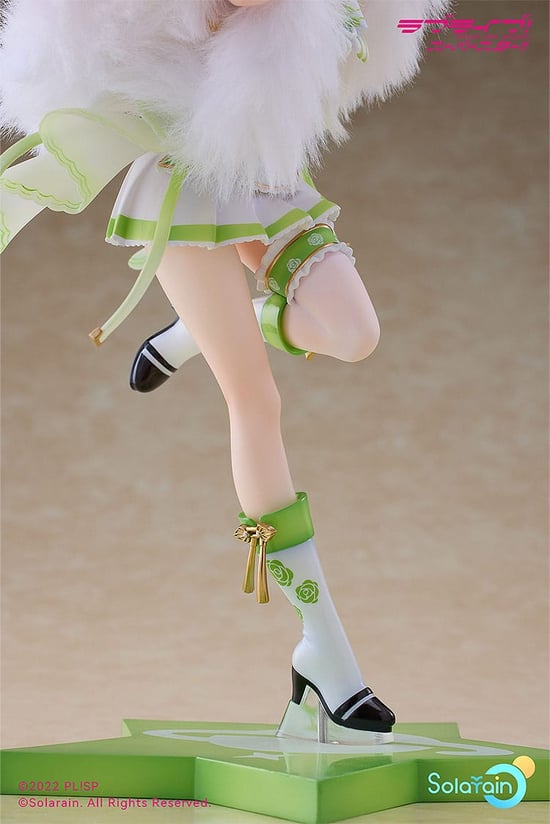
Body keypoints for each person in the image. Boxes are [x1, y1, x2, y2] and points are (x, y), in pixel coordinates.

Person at [0, 0, 449, 743]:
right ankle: (326, 652)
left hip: (267, 177)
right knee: (256, 405)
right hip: (184, 189)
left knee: (354, 334)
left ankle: (198, 335)